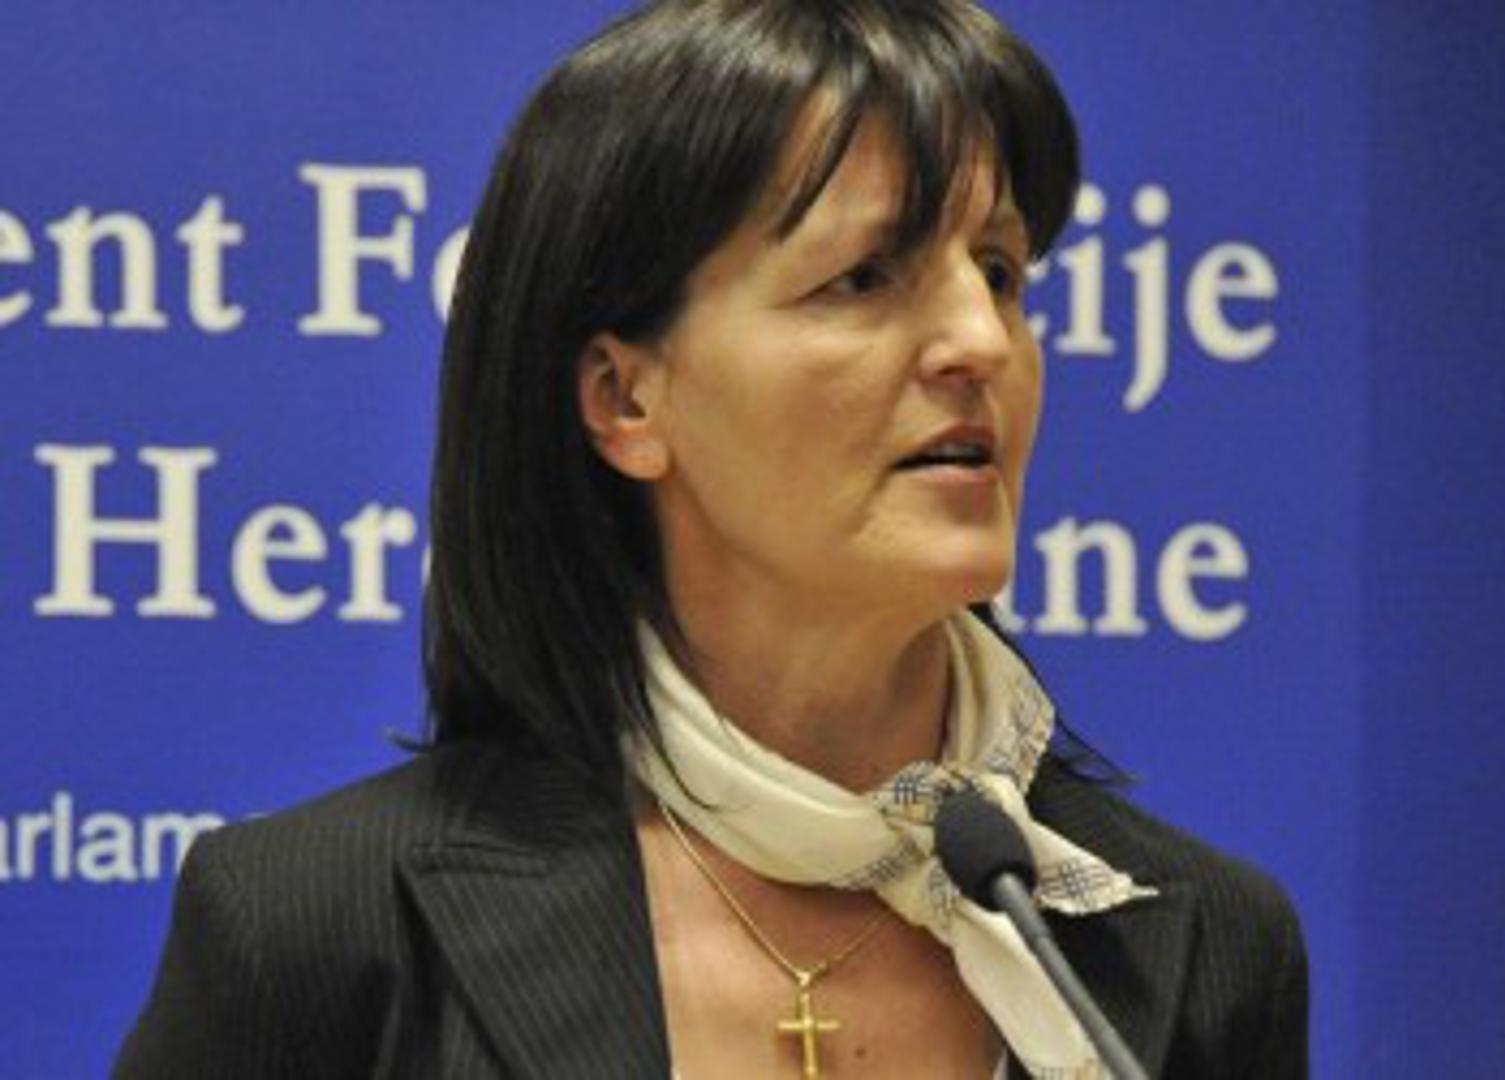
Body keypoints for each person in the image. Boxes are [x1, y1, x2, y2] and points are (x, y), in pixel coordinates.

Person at [115, 1, 1307, 1076]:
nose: (982, 344)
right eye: (864, 277)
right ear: (625, 400)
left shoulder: (1199, 945)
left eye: (997, 271)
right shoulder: (321, 936)